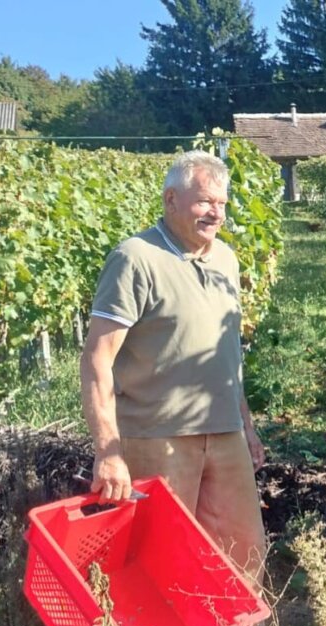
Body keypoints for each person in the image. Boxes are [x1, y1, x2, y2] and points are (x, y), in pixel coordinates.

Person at [80, 150, 267, 588]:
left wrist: (247, 425)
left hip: (224, 434)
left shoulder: (226, 259)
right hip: (155, 438)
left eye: (221, 203)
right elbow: (96, 359)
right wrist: (108, 452)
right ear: (171, 200)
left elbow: (226, 351)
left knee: (244, 554)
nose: (215, 212)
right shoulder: (135, 258)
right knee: (160, 560)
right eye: (204, 201)